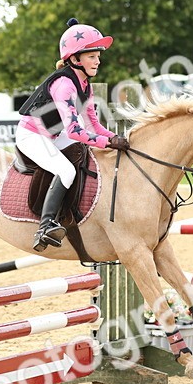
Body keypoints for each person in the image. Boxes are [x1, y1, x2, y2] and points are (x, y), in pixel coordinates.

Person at [16, 18, 130, 251]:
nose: (98, 61)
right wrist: (108, 141)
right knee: (66, 169)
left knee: (91, 153)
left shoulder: (84, 85)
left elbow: (94, 126)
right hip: (32, 135)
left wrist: (117, 139)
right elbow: (75, 131)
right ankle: (46, 226)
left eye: (98, 56)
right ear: (75, 58)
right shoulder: (65, 85)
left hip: (54, 135)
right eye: (92, 56)